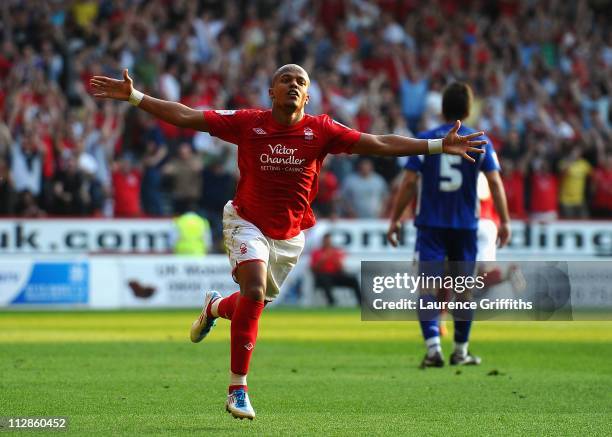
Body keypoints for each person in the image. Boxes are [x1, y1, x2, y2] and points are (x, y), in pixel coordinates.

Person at [90, 65, 486, 420]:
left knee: (251, 302)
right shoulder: (248, 123)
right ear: (271, 91)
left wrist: (435, 146)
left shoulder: (322, 130)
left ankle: (213, 307)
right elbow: (187, 116)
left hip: (290, 235)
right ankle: (237, 389)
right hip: (246, 221)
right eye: (285, 80)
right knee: (255, 288)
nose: (293, 85)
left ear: (308, 95)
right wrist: (136, 97)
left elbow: (378, 143)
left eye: (301, 81)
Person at [387, 82, 510, 369]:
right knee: (464, 289)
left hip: (430, 225)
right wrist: (504, 219)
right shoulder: (480, 141)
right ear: (469, 109)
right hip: (465, 226)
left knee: (427, 287)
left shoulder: (426, 140)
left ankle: (433, 349)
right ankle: (461, 350)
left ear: (442, 108)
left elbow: (408, 182)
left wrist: (394, 219)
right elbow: (494, 182)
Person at [310, 233, 361, 306]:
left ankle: (360, 302)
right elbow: (313, 269)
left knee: (353, 280)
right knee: (325, 279)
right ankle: (332, 302)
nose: (327, 242)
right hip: (322, 276)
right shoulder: (316, 252)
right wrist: (322, 260)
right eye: (326, 241)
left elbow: (341, 267)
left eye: (329, 241)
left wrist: (335, 259)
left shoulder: (335, 252)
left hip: (336, 275)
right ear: (323, 241)